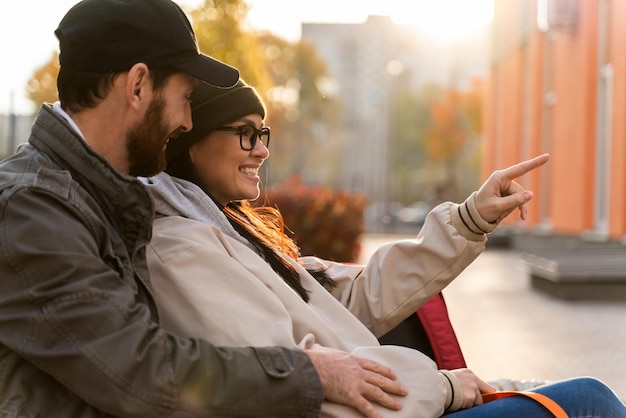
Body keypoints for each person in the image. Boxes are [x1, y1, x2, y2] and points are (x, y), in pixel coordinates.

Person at [0, 1, 411, 417]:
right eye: (186, 98)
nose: (187, 122)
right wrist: (311, 372)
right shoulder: (33, 209)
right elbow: (139, 370)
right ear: (138, 85)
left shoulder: (98, 196)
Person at [142, 79, 626, 417]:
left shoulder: (227, 230)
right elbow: (291, 376)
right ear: (191, 142)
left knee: (569, 394)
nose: (262, 150)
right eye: (245, 133)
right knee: (590, 403)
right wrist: (445, 387)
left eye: (263, 134)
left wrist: (473, 217)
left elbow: (349, 301)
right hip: (393, 406)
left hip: (398, 401)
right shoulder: (182, 247)